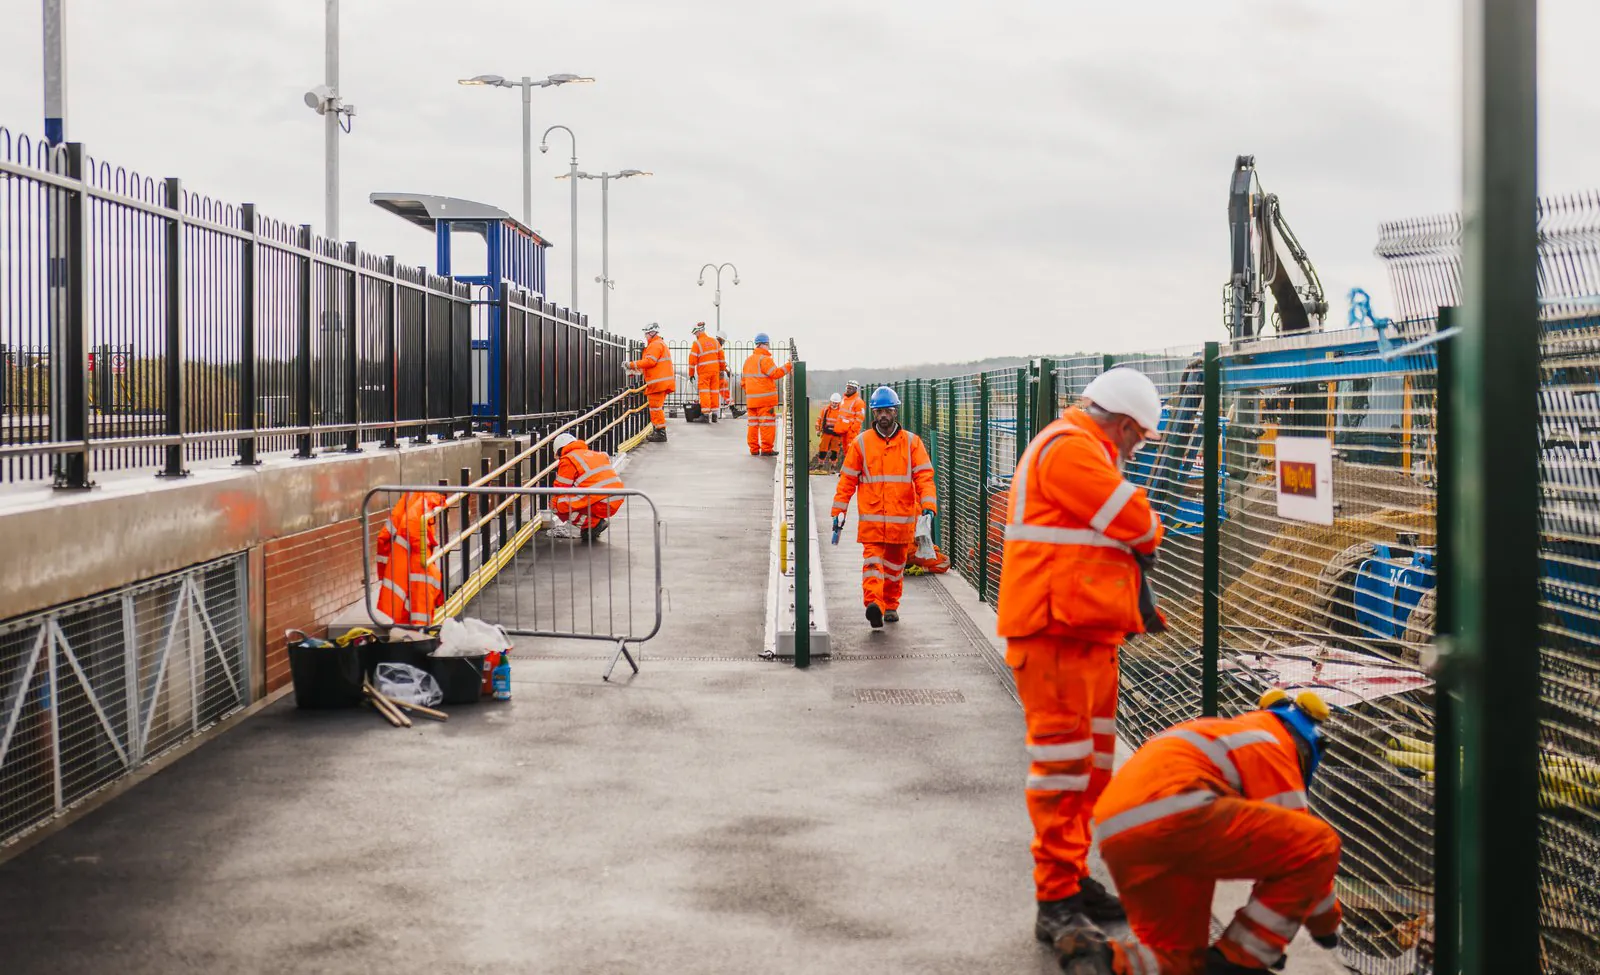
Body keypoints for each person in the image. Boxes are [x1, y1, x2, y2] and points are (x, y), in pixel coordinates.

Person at [995, 366, 1168, 945]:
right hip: (1056, 638)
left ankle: (1070, 879)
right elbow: (1140, 525)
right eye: (1138, 438)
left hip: (1083, 638)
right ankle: (1055, 901)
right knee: (1063, 772)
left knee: (1091, 773)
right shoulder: (1070, 450)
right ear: (1122, 426)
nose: (1137, 451)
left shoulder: (1078, 449)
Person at [1057, 691, 1344, 975]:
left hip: (1117, 828)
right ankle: (1240, 960)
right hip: (1178, 815)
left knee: (1181, 960)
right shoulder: (1272, 746)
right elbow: (1307, 854)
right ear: (1308, 748)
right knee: (1319, 842)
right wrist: (1328, 928)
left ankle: (1105, 961)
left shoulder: (1224, 733)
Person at [831, 386, 937, 628]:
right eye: (879, 411)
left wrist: (929, 505)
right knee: (872, 564)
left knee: (894, 567)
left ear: (896, 412)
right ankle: (874, 605)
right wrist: (839, 511)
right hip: (873, 521)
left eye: (888, 410)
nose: (884, 416)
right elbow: (847, 479)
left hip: (901, 519)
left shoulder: (912, 443)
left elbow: (924, 477)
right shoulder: (861, 443)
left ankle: (890, 605)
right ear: (873, 414)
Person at [375, 490, 448, 626]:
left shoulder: (410, 501)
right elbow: (411, 525)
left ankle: (415, 631)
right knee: (419, 600)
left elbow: (384, 538)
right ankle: (419, 633)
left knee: (409, 602)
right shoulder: (423, 505)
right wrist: (421, 548)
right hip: (416, 560)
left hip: (406, 561)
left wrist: (383, 571)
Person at [550, 432, 625, 543]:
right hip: (616, 498)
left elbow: (560, 489)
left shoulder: (568, 459)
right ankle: (591, 525)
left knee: (556, 503)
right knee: (574, 499)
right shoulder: (594, 454)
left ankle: (592, 524)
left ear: (559, 450)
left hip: (601, 501)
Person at [741, 332, 792, 456]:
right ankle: (766, 449)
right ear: (764, 344)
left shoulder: (748, 361)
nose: (769, 347)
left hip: (751, 401)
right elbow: (775, 373)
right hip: (765, 401)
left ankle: (753, 449)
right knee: (767, 425)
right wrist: (789, 365)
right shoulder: (765, 359)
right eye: (768, 344)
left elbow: (743, 382)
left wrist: (751, 394)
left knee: (753, 425)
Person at [629, 323, 676, 442]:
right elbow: (652, 364)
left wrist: (631, 364)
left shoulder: (655, 345)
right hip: (661, 382)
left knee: (655, 408)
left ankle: (660, 433)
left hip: (658, 384)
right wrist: (637, 370)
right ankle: (658, 431)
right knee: (656, 407)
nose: (645, 336)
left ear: (651, 333)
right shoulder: (658, 344)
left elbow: (650, 361)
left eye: (646, 333)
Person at [687, 322, 725, 424]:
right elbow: (721, 357)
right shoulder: (715, 342)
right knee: (714, 392)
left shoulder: (697, 344)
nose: (695, 336)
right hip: (715, 371)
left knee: (704, 392)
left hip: (704, 372)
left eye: (695, 334)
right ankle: (715, 414)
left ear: (699, 332)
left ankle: (705, 415)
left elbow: (692, 361)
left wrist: (691, 374)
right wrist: (722, 369)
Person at [814, 392, 846, 471]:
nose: (834, 404)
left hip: (836, 434)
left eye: (836, 403)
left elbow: (843, 423)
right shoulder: (825, 410)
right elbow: (819, 420)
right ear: (830, 402)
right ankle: (820, 464)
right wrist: (818, 430)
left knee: (835, 451)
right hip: (826, 433)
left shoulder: (841, 412)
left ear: (839, 403)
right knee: (823, 449)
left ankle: (833, 466)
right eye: (833, 402)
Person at [717, 336, 736, 416]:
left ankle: (733, 409)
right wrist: (727, 371)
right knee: (712, 395)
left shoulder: (715, 348)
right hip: (715, 376)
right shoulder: (717, 349)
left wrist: (726, 371)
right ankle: (709, 412)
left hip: (718, 377)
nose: (723, 343)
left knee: (726, 392)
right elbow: (721, 362)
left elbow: (721, 362)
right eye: (723, 341)